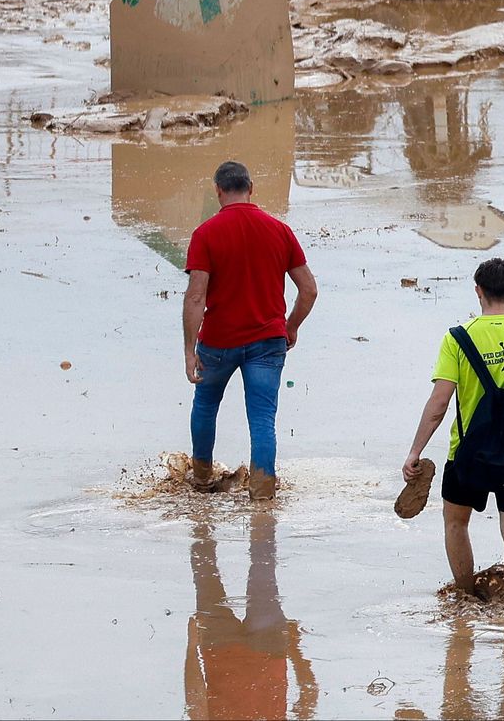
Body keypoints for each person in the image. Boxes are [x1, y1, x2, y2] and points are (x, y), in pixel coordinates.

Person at [402, 257, 504, 607]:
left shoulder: (457, 340)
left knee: (455, 524)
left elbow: (439, 403)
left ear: (478, 291)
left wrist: (415, 451)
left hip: (466, 455)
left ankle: (465, 598)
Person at [183, 160, 317, 500]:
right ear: (251, 188)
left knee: (206, 405)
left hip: (218, 341)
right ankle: (262, 493)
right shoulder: (279, 230)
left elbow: (196, 295)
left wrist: (188, 350)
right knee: (262, 419)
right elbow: (309, 289)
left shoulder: (205, 234)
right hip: (267, 341)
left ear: (218, 191)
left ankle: (200, 479)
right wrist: (291, 327)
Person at [185, 512, 318, 720]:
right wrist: (191, 648)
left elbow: (308, 699)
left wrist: (295, 652)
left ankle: (258, 506)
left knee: (263, 565)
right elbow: (195, 703)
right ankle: (203, 511)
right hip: (224, 649)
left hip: (264, 648)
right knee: (205, 571)